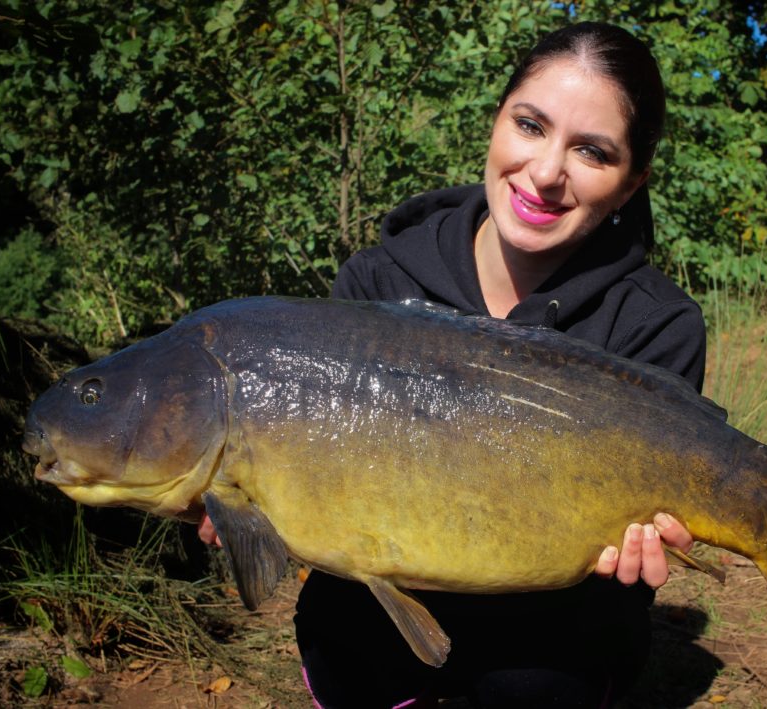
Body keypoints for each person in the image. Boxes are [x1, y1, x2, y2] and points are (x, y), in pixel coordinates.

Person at [200, 21, 705, 709]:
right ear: (496, 121)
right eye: (530, 125)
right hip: (377, 603)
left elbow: (651, 522)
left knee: (532, 688)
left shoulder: (656, 323)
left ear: (631, 182)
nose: (547, 172)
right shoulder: (376, 282)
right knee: (345, 645)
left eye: (591, 151)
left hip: (557, 615)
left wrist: (646, 546)